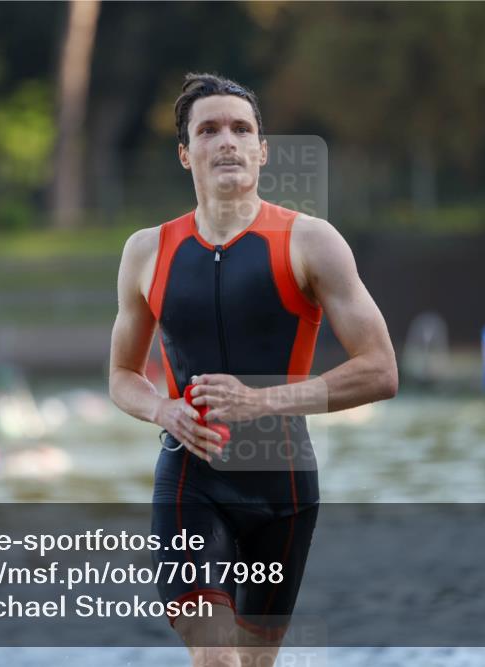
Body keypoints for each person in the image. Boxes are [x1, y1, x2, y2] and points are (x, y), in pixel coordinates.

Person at [108, 72, 397, 667]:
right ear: (186, 153)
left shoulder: (311, 242)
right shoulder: (146, 251)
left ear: (263, 151)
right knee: (217, 658)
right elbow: (121, 375)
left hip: (283, 485)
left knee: (254, 663)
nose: (227, 141)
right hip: (191, 481)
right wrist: (162, 407)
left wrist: (265, 401)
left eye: (242, 129)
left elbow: (380, 370)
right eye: (208, 130)